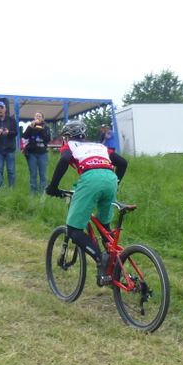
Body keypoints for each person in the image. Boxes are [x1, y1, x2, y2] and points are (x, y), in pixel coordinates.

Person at [45, 120, 129, 285]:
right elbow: (123, 163)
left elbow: (64, 160)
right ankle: (115, 268)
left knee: (74, 230)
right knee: (104, 226)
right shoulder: (99, 146)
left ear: (67, 137)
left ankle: (100, 259)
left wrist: (53, 187)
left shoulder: (70, 146)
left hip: (90, 179)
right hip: (110, 179)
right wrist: (114, 183)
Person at [22, 111, 51, 195]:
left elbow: (48, 139)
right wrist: (30, 127)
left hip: (43, 153)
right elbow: (24, 136)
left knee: (43, 174)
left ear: (42, 119)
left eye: (39, 116)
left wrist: (41, 130)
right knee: (33, 173)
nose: (37, 118)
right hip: (32, 153)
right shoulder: (31, 126)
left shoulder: (46, 127)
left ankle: (42, 193)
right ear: (34, 118)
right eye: (36, 116)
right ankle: (33, 193)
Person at [0, 101, 17, 187]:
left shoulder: (11, 120)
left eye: (2, 108)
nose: (0, 110)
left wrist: (8, 132)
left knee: (11, 170)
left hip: (10, 149)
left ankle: (12, 188)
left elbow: (15, 133)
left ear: (5, 109)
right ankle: (0, 188)